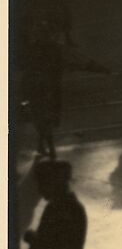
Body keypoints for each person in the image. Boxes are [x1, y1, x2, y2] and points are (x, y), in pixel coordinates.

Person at [21, 19, 109, 159]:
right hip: (51, 89)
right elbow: (80, 61)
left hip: (35, 88)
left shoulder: (31, 50)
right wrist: (102, 69)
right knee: (47, 118)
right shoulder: (57, 48)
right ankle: (48, 147)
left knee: (40, 118)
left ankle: (44, 145)